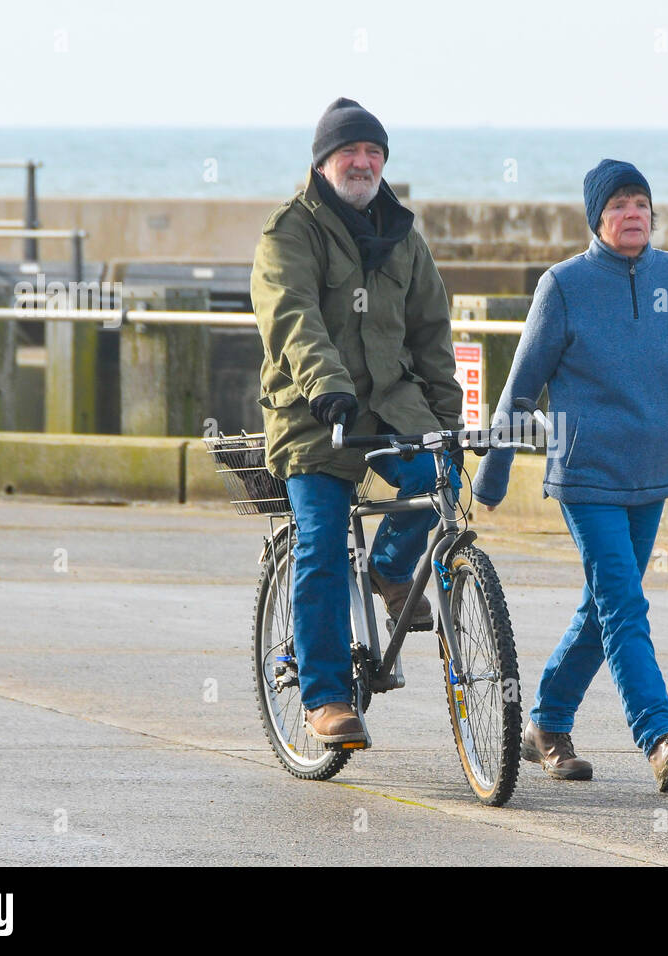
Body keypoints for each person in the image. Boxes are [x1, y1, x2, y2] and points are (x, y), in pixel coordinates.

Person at [472, 159, 668, 792]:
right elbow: (521, 388)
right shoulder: (564, 286)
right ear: (597, 219)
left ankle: (546, 722)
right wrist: (491, 477)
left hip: (652, 474)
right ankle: (658, 737)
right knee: (625, 603)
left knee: (605, 610)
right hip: (586, 476)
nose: (633, 214)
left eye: (641, 203)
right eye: (619, 205)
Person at [251, 97, 464, 745]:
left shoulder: (402, 235)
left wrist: (448, 419)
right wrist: (328, 388)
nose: (364, 162)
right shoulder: (291, 230)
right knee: (320, 543)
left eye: (374, 152)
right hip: (313, 415)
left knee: (441, 474)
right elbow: (292, 316)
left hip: (393, 408)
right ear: (323, 162)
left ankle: (393, 570)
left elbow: (432, 332)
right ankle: (324, 697)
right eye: (351, 152)